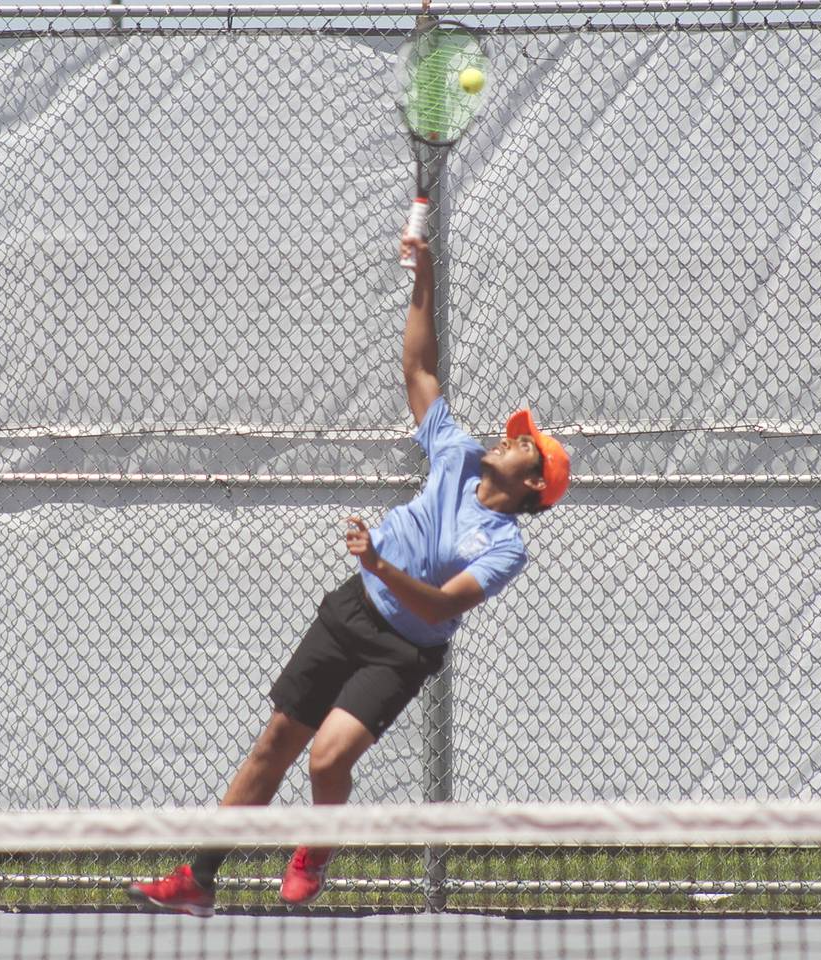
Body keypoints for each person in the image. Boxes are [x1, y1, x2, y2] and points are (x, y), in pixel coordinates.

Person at [128, 232, 571, 917]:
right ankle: (197, 878)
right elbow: (419, 371)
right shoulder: (453, 454)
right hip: (350, 611)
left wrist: (379, 561)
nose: (510, 436)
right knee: (275, 743)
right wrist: (423, 277)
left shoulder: (506, 546)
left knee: (327, 760)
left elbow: (438, 605)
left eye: (524, 443)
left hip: (402, 648)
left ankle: (318, 848)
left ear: (534, 481)